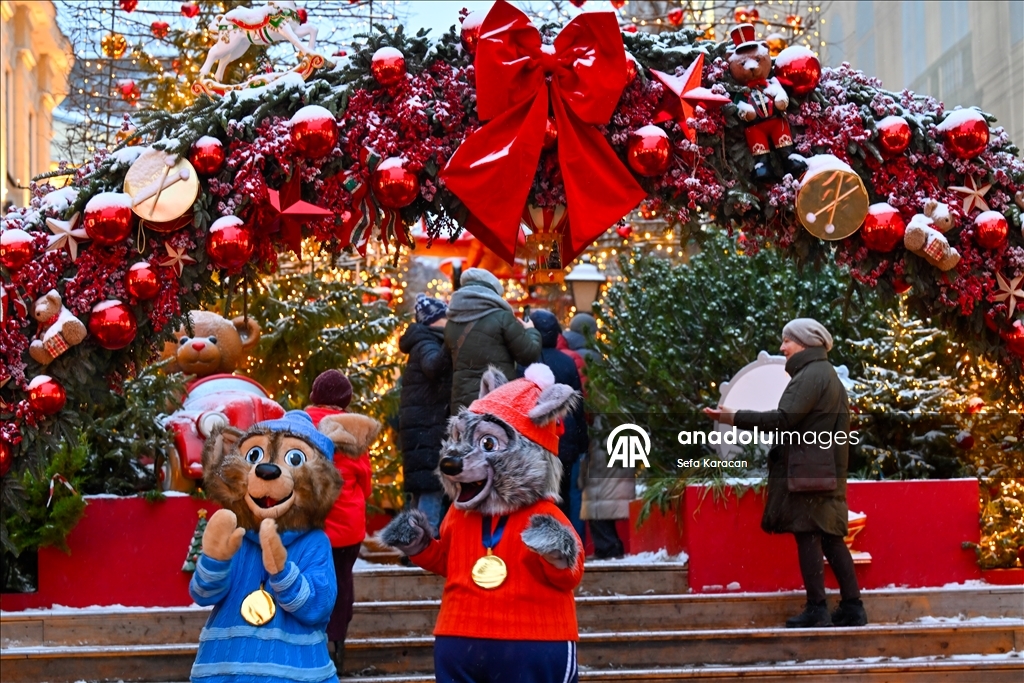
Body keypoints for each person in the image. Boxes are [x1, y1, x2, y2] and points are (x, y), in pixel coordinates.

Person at [703, 318, 867, 628]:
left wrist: (731, 416)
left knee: (808, 536)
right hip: (824, 470)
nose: (782, 347)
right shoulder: (825, 374)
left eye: (787, 341)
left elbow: (783, 419)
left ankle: (818, 608)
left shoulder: (811, 375)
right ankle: (852, 606)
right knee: (832, 540)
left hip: (808, 473)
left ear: (804, 343)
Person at [304, 370, 372, 669]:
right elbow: (366, 485)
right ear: (346, 400)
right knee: (342, 582)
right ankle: (337, 644)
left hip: (310, 523)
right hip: (347, 527)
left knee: (309, 581)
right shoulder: (355, 431)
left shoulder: (301, 426)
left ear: (314, 396)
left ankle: (311, 643)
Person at [444, 267, 542, 414]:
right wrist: (530, 330)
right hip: (498, 400)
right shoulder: (502, 318)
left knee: (468, 437)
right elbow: (529, 354)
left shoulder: (451, 323)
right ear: (492, 292)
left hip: (463, 405)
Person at [524, 310, 589, 526]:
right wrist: (582, 441)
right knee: (563, 496)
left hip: (534, 440)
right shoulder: (567, 362)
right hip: (564, 440)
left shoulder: (524, 364)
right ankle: (566, 540)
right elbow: (577, 406)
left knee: (535, 497)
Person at [398, 294, 453, 532]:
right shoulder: (426, 342)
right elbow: (433, 366)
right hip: (428, 430)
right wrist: (452, 344)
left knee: (422, 493)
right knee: (430, 490)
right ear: (435, 320)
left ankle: (412, 544)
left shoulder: (423, 339)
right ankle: (422, 550)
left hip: (422, 429)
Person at [579, 416, 630, 559]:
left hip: (603, 473)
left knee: (598, 511)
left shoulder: (603, 421)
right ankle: (609, 547)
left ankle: (608, 548)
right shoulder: (610, 418)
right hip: (609, 472)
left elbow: (600, 452)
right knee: (602, 512)